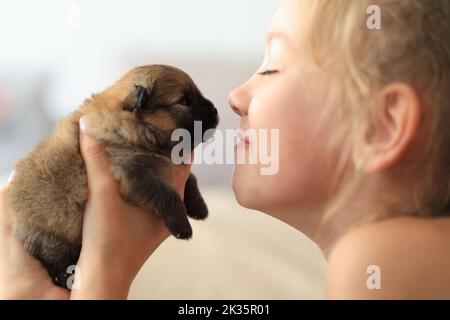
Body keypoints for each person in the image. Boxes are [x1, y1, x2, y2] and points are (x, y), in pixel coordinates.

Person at [1, 0, 450, 299]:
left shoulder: (377, 256)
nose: (235, 96)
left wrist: (104, 279)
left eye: (272, 67)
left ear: (382, 124)